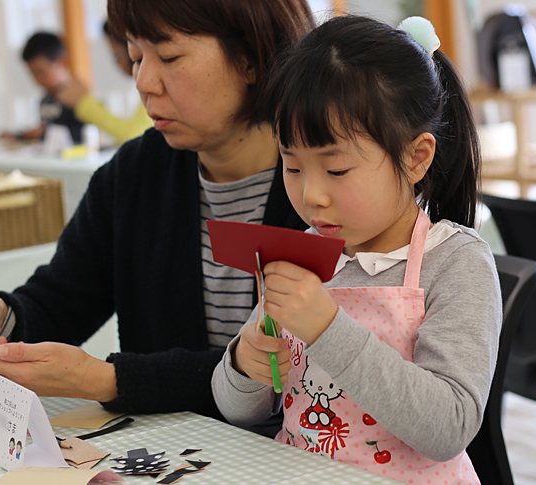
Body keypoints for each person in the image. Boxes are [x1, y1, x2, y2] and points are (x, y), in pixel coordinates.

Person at [0, 0, 313, 425]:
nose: (143, 82)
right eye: (134, 57)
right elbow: (60, 302)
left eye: (168, 56)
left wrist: (111, 379)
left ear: (253, 57)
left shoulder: (331, 182)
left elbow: (294, 375)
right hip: (179, 451)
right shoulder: (133, 175)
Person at [211, 15, 501, 484]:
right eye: (292, 165)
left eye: (337, 170)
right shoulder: (300, 254)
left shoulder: (455, 262)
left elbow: (449, 427)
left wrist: (326, 329)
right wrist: (245, 363)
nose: (311, 197)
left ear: (415, 157)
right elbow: (237, 409)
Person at [56, 21, 153, 145]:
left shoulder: (152, 88)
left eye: (117, 55)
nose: (117, 63)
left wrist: (83, 103)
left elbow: (134, 136)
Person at [0, 32, 85, 144]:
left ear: (62, 63)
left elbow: (87, 136)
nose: (37, 79)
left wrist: (45, 132)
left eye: (41, 72)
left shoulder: (79, 98)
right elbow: (44, 135)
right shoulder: (45, 101)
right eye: (32, 74)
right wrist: (21, 136)